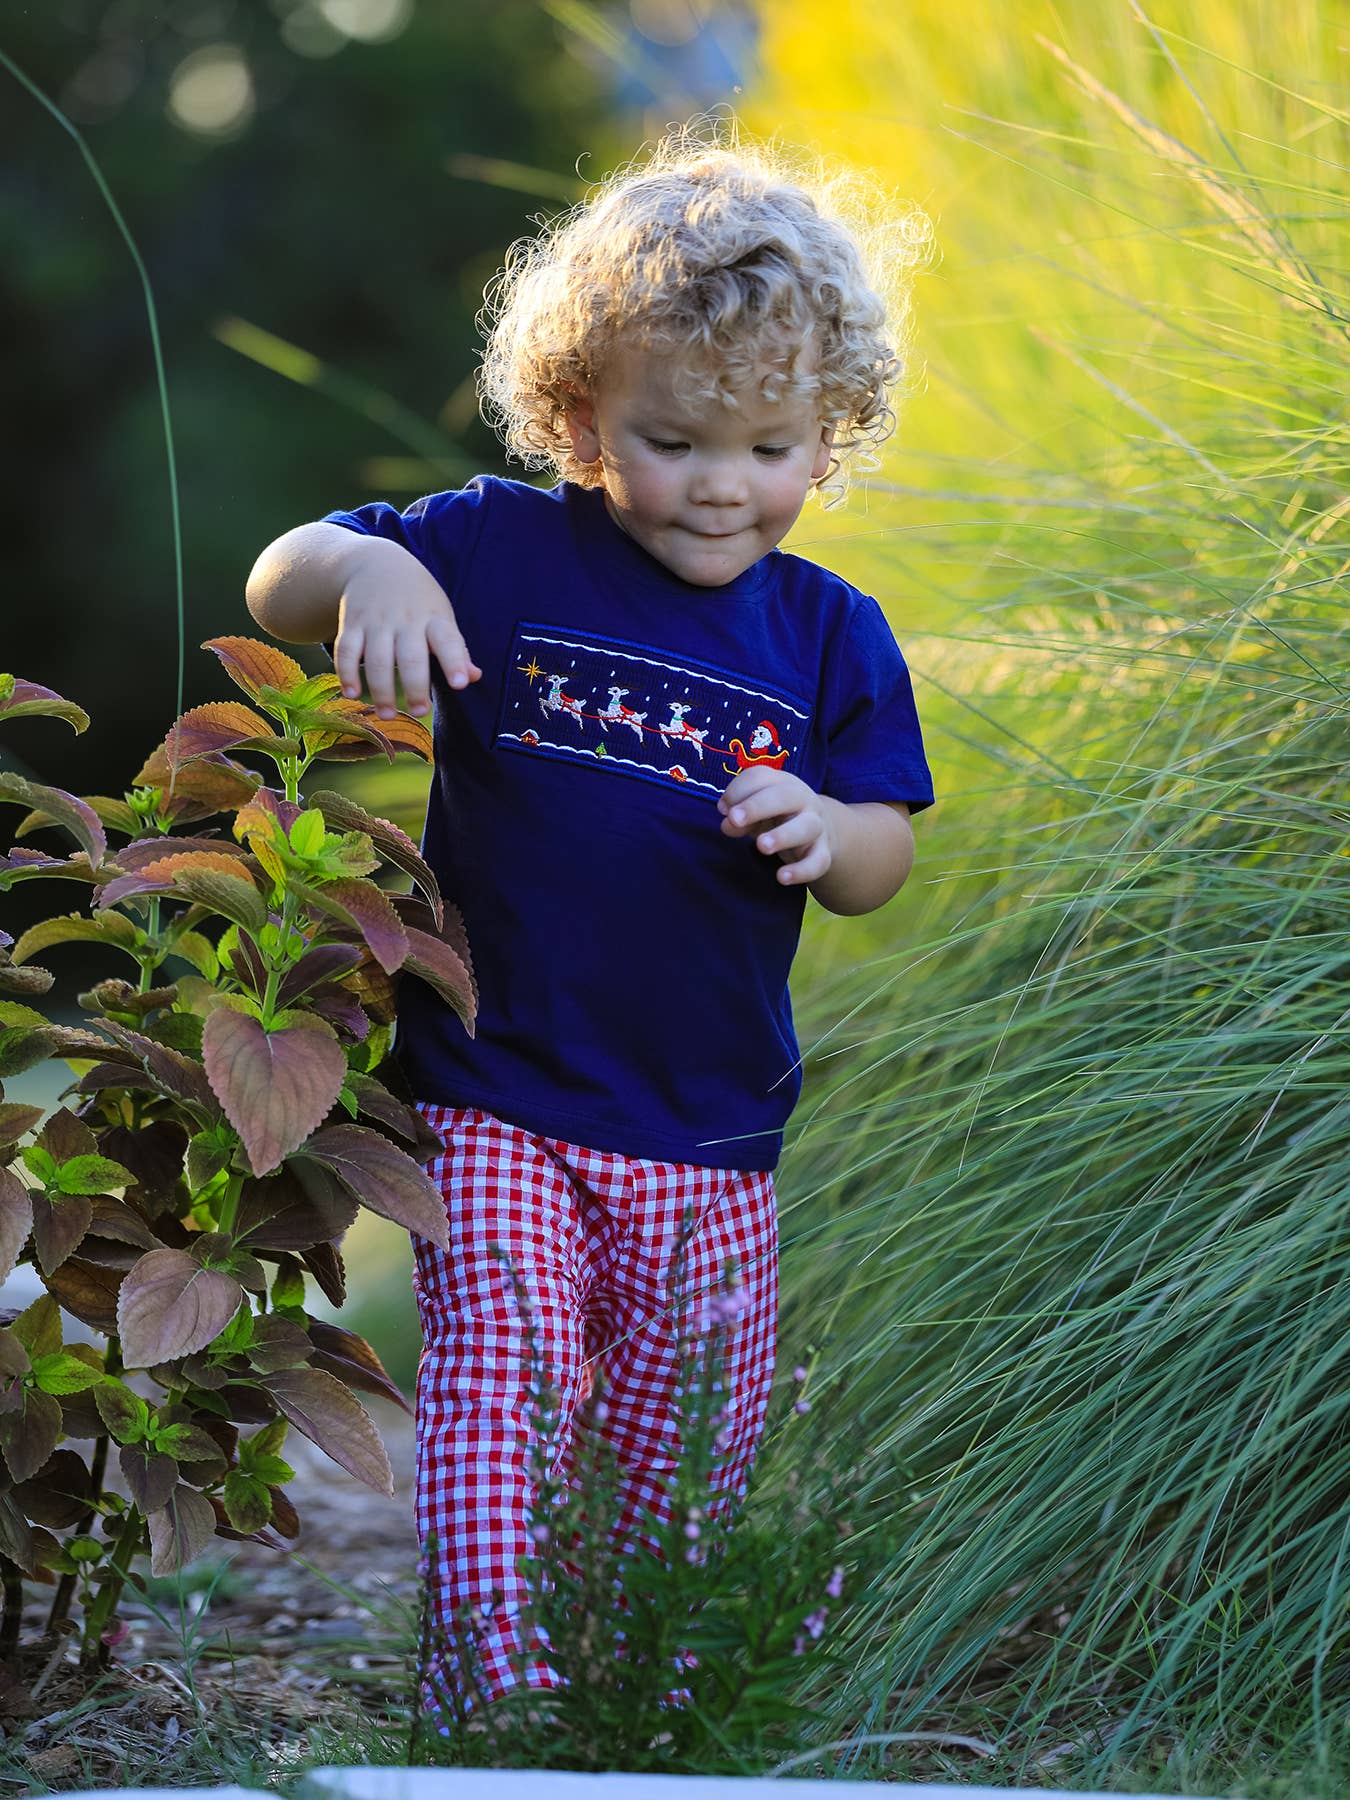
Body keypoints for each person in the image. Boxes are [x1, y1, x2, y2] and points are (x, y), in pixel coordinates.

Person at [244, 120, 936, 1723]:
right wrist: (367, 574)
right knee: (508, 1372)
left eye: (771, 446)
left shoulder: (830, 631)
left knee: (684, 1427)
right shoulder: (503, 545)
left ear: (829, 434)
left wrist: (825, 828)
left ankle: (645, 1683)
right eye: (673, 440)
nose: (723, 485)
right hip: (498, 1089)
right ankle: (489, 1680)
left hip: (709, 1121)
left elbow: (880, 855)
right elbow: (287, 572)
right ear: (578, 419)